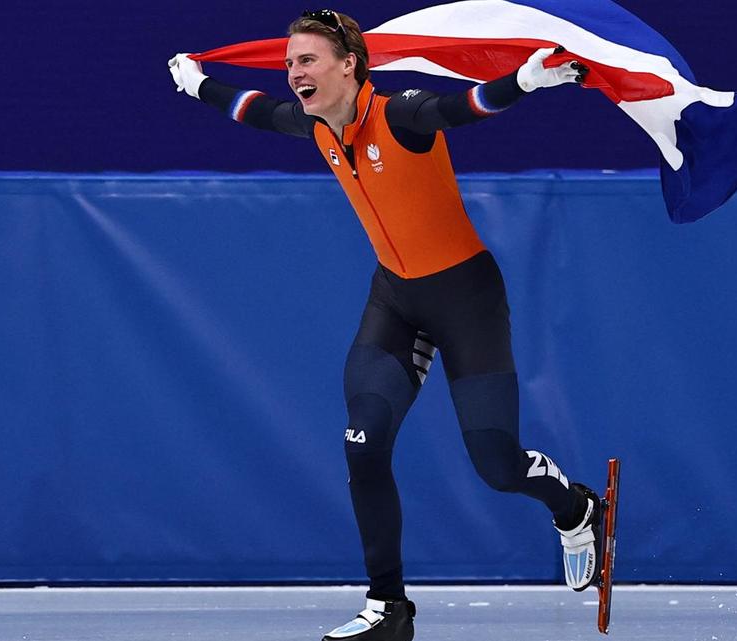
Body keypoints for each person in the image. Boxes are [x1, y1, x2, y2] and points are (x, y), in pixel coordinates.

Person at [170, 10, 600, 641]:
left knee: (497, 466)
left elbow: (462, 108)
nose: (294, 73)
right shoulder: (318, 125)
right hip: (395, 301)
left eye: (307, 60)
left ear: (349, 65)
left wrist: (526, 81)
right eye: (289, 62)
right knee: (362, 446)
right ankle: (388, 608)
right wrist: (197, 85)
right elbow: (255, 109)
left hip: (466, 299)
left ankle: (575, 506)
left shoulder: (401, 113)